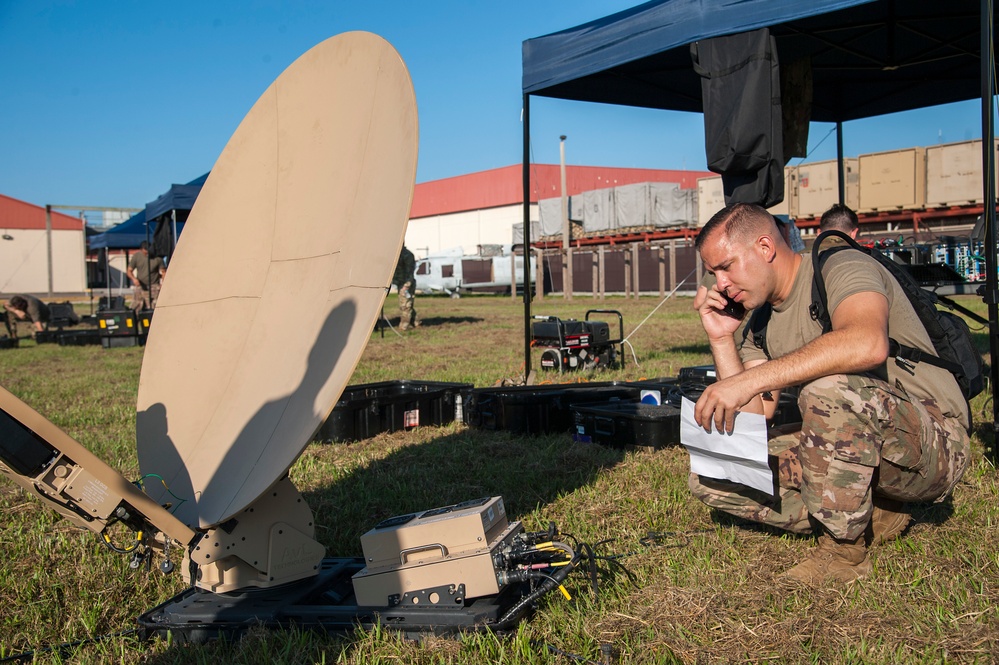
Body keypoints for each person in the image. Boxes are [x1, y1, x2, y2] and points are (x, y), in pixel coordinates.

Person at [690, 202, 969, 586]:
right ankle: (875, 514)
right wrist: (721, 338)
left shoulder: (840, 265)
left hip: (934, 445)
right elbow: (755, 418)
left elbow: (867, 344)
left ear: (765, 247)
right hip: (858, 443)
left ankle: (843, 553)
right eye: (713, 273)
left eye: (725, 267)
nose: (719, 284)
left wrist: (746, 381)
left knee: (829, 388)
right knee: (715, 474)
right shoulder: (761, 323)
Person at [126, 241, 166, 311]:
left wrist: (163, 283)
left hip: (154, 286)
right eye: (145, 250)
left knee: (153, 306)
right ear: (141, 249)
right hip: (141, 286)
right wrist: (134, 279)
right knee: (137, 305)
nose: (147, 252)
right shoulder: (136, 256)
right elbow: (129, 271)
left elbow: (163, 272)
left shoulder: (157, 258)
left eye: (148, 250)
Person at [392, 245, 420, 331]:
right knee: (407, 304)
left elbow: (409, 273)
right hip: (401, 283)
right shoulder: (397, 254)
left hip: (406, 284)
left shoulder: (407, 255)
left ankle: (404, 326)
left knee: (405, 306)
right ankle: (416, 322)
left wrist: (406, 286)